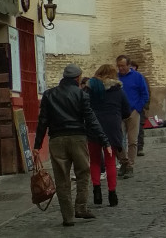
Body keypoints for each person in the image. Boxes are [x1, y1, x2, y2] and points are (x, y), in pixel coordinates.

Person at [32, 63, 111, 227]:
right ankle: (81, 207)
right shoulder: (81, 95)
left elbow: (43, 121)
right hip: (77, 138)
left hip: (56, 140)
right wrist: (105, 141)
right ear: (77, 78)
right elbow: (91, 119)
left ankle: (67, 217)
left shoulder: (48, 94)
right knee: (83, 173)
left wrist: (37, 145)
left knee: (62, 178)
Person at [86, 64, 131, 207]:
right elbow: (127, 111)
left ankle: (97, 190)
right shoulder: (118, 90)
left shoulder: (89, 89)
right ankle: (112, 194)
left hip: (93, 127)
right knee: (111, 161)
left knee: (94, 161)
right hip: (112, 128)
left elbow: (84, 107)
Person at [116, 54, 149, 179]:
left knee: (132, 141)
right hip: (118, 113)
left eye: (123, 66)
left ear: (129, 65)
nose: (121, 68)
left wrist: (138, 108)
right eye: (119, 66)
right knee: (118, 140)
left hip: (133, 112)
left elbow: (144, 94)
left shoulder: (137, 77)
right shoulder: (116, 77)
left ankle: (130, 166)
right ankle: (123, 161)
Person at [130, 60, 150, 157]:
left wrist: (144, 106)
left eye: (133, 67)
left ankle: (140, 147)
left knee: (140, 128)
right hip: (129, 107)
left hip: (139, 107)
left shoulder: (141, 78)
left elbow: (147, 92)